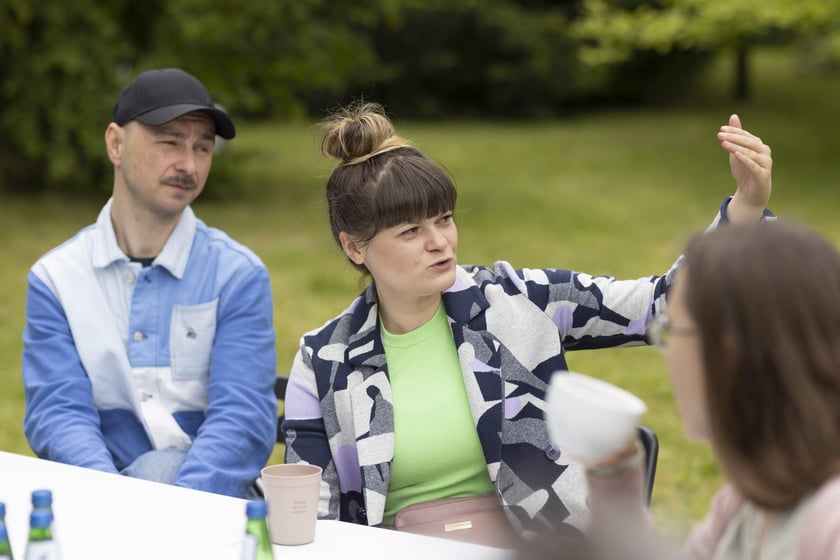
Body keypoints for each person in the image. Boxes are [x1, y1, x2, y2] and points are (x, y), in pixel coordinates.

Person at [281, 101, 773, 541]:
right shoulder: (324, 360)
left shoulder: (518, 300)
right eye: (412, 230)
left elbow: (662, 305)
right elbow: (312, 518)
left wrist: (746, 206)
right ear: (354, 246)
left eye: (445, 218)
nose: (440, 242)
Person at [22, 68, 278, 499]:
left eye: (203, 147)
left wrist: (168, 511)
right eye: (169, 141)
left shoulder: (238, 275)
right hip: (96, 499)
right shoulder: (56, 278)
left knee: (159, 472)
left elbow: (241, 420)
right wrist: (116, 503)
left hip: (209, 502)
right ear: (116, 144)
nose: (189, 165)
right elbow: (59, 414)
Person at [579, 219, 840, 560]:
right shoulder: (747, 503)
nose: (667, 352)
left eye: (672, 330)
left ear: (728, 353)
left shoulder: (828, 522)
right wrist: (614, 480)